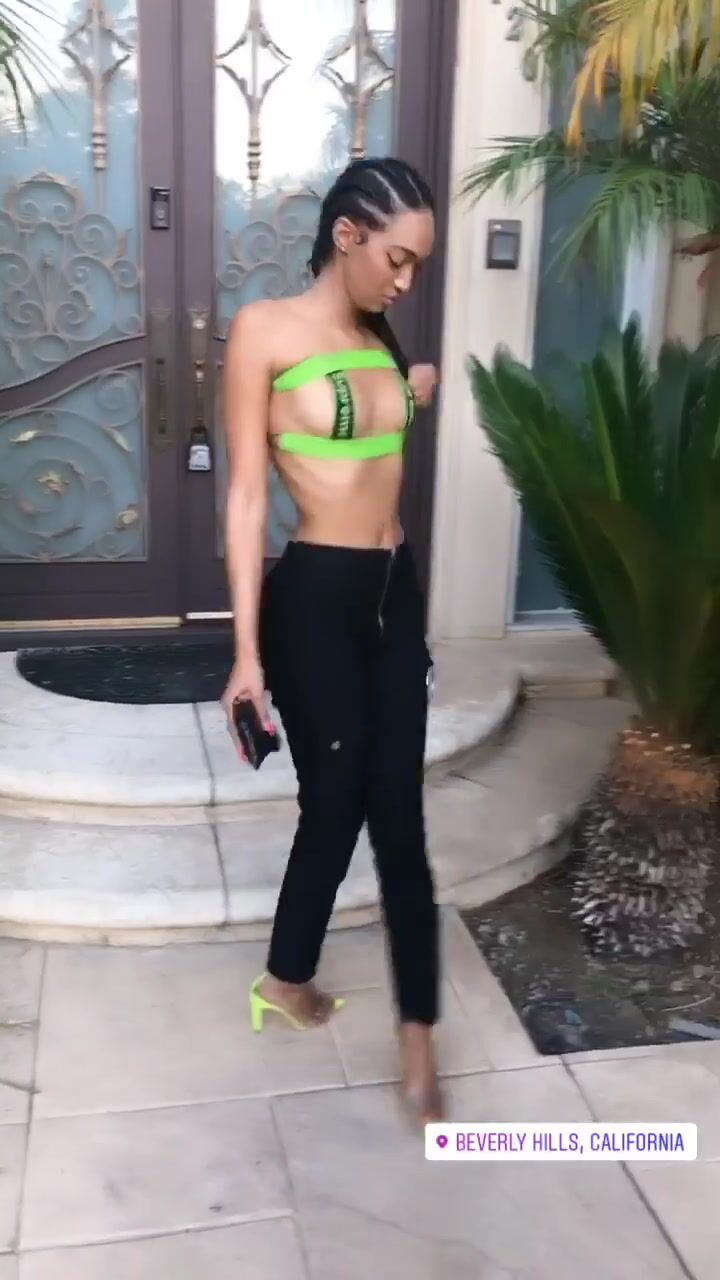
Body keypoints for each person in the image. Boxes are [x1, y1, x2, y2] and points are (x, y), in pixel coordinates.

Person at [221, 156, 442, 1124]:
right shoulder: (265, 331)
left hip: (396, 591)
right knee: (337, 799)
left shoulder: (380, 343)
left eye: (419, 266)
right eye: (397, 259)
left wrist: (417, 385)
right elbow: (244, 498)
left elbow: (392, 407)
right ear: (347, 236)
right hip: (314, 599)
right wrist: (245, 656)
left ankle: (419, 1037)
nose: (406, 282)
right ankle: (286, 976)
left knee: (399, 813)